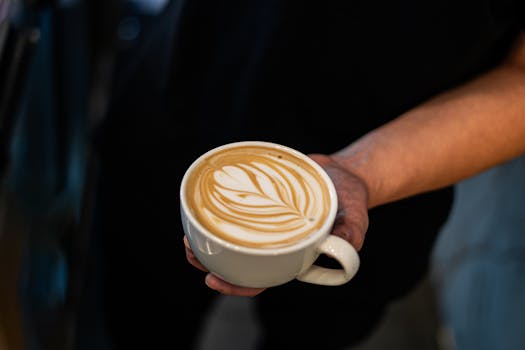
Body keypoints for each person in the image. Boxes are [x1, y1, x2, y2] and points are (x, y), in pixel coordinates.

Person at [93, 0, 524, 349]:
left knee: (314, 332)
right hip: (189, 76)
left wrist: (361, 172)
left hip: (389, 174)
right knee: (134, 314)